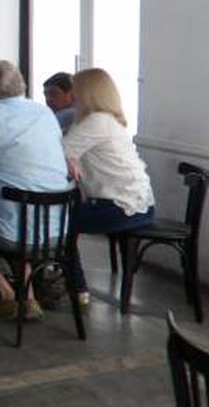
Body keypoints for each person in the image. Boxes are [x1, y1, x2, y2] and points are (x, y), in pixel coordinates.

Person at [0, 60, 70, 321]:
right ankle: (29, 297)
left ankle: (6, 293)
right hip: (57, 230)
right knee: (14, 218)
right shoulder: (45, 114)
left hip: (11, 229)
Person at [63, 68, 155, 303]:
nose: (71, 94)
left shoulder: (96, 122)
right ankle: (73, 286)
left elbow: (59, 151)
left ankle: (77, 288)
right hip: (136, 204)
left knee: (58, 223)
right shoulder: (107, 120)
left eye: (75, 89)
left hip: (120, 207)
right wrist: (70, 158)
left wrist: (69, 158)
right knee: (63, 219)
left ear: (87, 92)